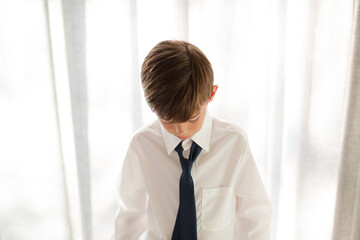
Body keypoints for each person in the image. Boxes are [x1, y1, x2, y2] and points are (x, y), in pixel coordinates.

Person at [114, 40, 272, 240]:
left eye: (192, 118)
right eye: (167, 121)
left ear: (211, 94)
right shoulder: (142, 145)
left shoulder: (234, 143)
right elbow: (130, 215)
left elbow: (255, 216)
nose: (181, 130)